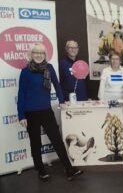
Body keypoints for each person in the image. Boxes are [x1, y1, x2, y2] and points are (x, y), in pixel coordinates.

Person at [17, 43, 82, 182]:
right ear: (31, 54)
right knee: (35, 143)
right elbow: (21, 94)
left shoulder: (49, 68)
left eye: (41, 52)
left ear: (45, 54)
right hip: (30, 112)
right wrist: (21, 115)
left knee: (57, 140)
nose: (38, 55)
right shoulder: (25, 71)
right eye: (36, 52)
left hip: (46, 110)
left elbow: (57, 85)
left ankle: (69, 168)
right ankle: (40, 170)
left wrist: (61, 100)